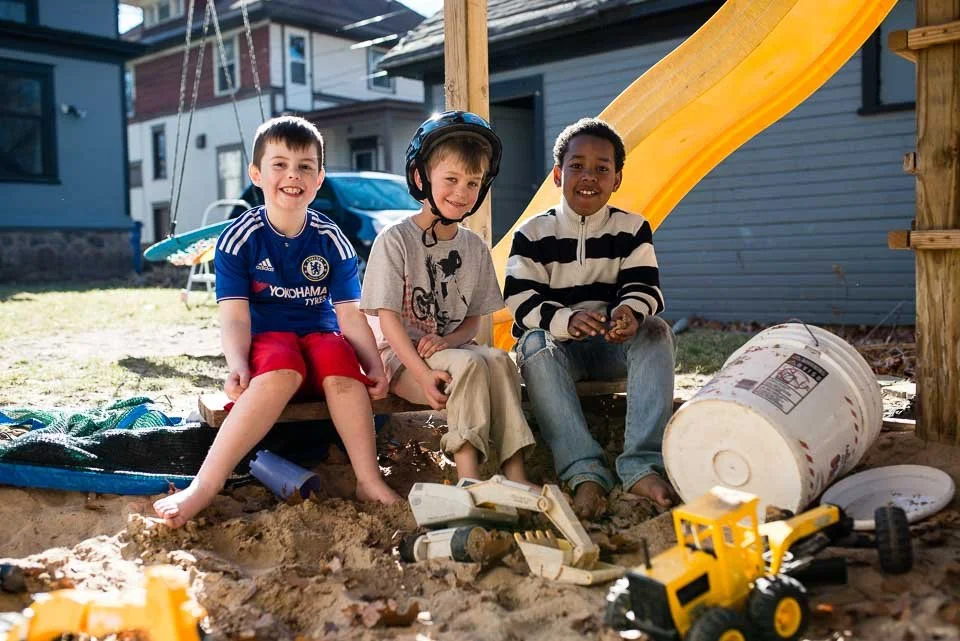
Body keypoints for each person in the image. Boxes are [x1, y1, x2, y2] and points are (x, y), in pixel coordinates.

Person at [154, 116, 400, 528]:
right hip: (271, 343)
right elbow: (233, 316)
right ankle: (205, 485)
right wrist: (236, 363)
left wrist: (373, 365)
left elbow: (348, 314)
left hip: (320, 336)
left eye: (305, 166)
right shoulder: (240, 237)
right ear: (257, 174)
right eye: (280, 164)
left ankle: (368, 480)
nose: (293, 175)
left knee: (342, 366)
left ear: (319, 178)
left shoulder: (330, 237)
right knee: (282, 370)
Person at [504, 117, 677, 519]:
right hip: (558, 352)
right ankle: (584, 470)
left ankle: (641, 466)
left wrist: (629, 313)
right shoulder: (532, 234)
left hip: (611, 348)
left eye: (602, 169)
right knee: (533, 343)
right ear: (557, 174)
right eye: (577, 165)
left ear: (617, 179)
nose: (589, 176)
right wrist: (565, 319)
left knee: (655, 331)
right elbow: (520, 299)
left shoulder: (633, 230)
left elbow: (645, 287)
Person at [361, 111, 536, 485]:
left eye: (473, 183)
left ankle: (515, 472)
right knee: (471, 366)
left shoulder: (473, 247)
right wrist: (423, 374)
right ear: (421, 177)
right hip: (401, 361)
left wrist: (448, 340)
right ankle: (468, 477)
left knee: (500, 362)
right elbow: (387, 321)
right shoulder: (395, 240)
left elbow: (474, 320)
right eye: (451, 179)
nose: (462, 192)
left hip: (453, 350)